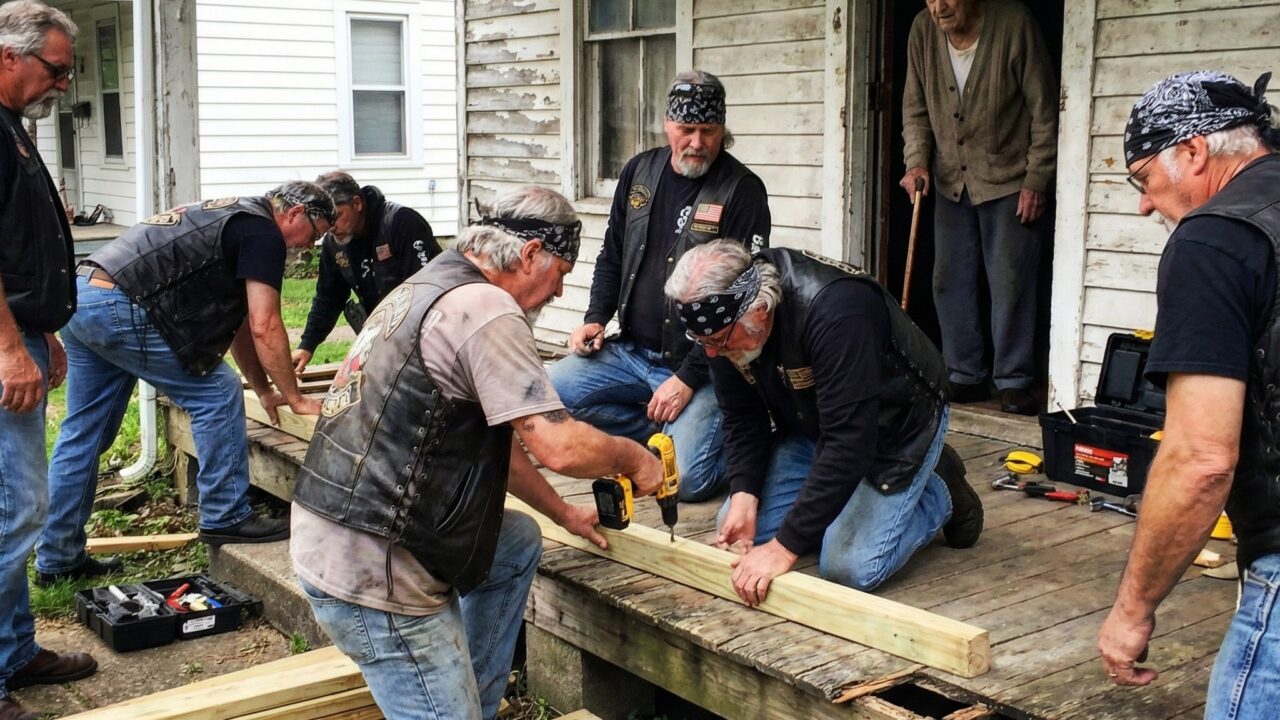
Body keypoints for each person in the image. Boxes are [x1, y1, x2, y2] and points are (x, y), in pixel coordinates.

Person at [290, 185, 662, 720]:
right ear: (530, 254)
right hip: (375, 569)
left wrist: (562, 512)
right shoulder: (488, 310)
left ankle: (471, 705)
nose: (560, 291)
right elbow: (558, 446)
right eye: (561, 272)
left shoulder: (433, 282)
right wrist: (636, 458)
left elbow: (500, 444)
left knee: (514, 542)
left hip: (332, 528)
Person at [35, 181, 334, 586]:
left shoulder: (236, 217)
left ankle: (57, 558)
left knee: (84, 433)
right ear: (296, 214)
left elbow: (242, 326)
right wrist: (295, 399)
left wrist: (265, 390)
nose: (310, 247)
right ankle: (226, 515)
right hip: (122, 304)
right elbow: (266, 326)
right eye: (314, 235)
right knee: (218, 393)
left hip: (85, 294)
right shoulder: (263, 233)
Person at [1097, 71, 1280, 718]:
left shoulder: (1213, 240)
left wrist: (1132, 611)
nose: (1144, 206)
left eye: (1143, 179)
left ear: (1195, 152)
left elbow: (1201, 460)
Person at [664, 240, 984, 603]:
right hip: (815, 424)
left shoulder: (838, 312)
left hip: (898, 428)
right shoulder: (721, 322)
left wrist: (783, 549)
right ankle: (847, 502)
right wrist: (744, 493)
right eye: (701, 341)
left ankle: (939, 489)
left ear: (760, 311)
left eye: (718, 341)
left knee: (848, 567)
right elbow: (741, 417)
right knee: (737, 529)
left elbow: (850, 443)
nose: (710, 352)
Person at [547, 69, 770, 503]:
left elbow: (743, 298)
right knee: (549, 398)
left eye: (709, 130)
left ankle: (729, 442)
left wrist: (687, 379)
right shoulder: (639, 172)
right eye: (687, 129)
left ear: (722, 129)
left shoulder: (742, 190)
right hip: (631, 353)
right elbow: (612, 254)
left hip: (706, 369)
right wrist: (595, 318)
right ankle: (662, 433)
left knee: (684, 479)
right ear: (667, 124)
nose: (697, 142)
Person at [0, 4, 98, 718]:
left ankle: (14, 651)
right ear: (9, 55)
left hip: (23, 332)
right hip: (2, 345)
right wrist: (9, 346)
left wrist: (42, 331)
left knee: (15, 508)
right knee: (14, 510)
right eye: (56, 70)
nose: (64, 84)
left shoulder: (14, 129)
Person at [900, 0, 1057, 415]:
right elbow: (915, 108)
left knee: (1011, 281)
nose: (938, 8)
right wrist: (916, 161)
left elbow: (1044, 109)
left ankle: (1014, 380)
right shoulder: (922, 31)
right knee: (948, 281)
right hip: (951, 179)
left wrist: (1037, 178)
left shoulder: (1014, 23)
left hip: (1010, 178)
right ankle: (965, 375)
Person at [292, 171, 442, 374]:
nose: (332, 227)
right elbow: (329, 297)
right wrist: (307, 345)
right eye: (327, 220)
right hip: (384, 340)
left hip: (427, 336)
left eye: (337, 216)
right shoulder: (333, 245)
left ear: (357, 203)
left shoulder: (401, 222)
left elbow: (429, 291)